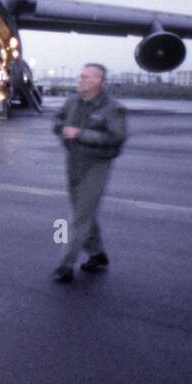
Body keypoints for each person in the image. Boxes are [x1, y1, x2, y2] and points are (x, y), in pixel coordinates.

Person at [51, 63, 126, 282]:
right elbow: (57, 120)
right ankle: (97, 254)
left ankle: (65, 264)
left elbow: (116, 137)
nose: (80, 79)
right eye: (80, 75)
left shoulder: (113, 108)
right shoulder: (72, 100)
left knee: (80, 216)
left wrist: (81, 134)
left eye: (86, 76)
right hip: (73, 161)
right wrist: (61, 129)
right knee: (83, 210)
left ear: (99, 81)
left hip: (96, 164)